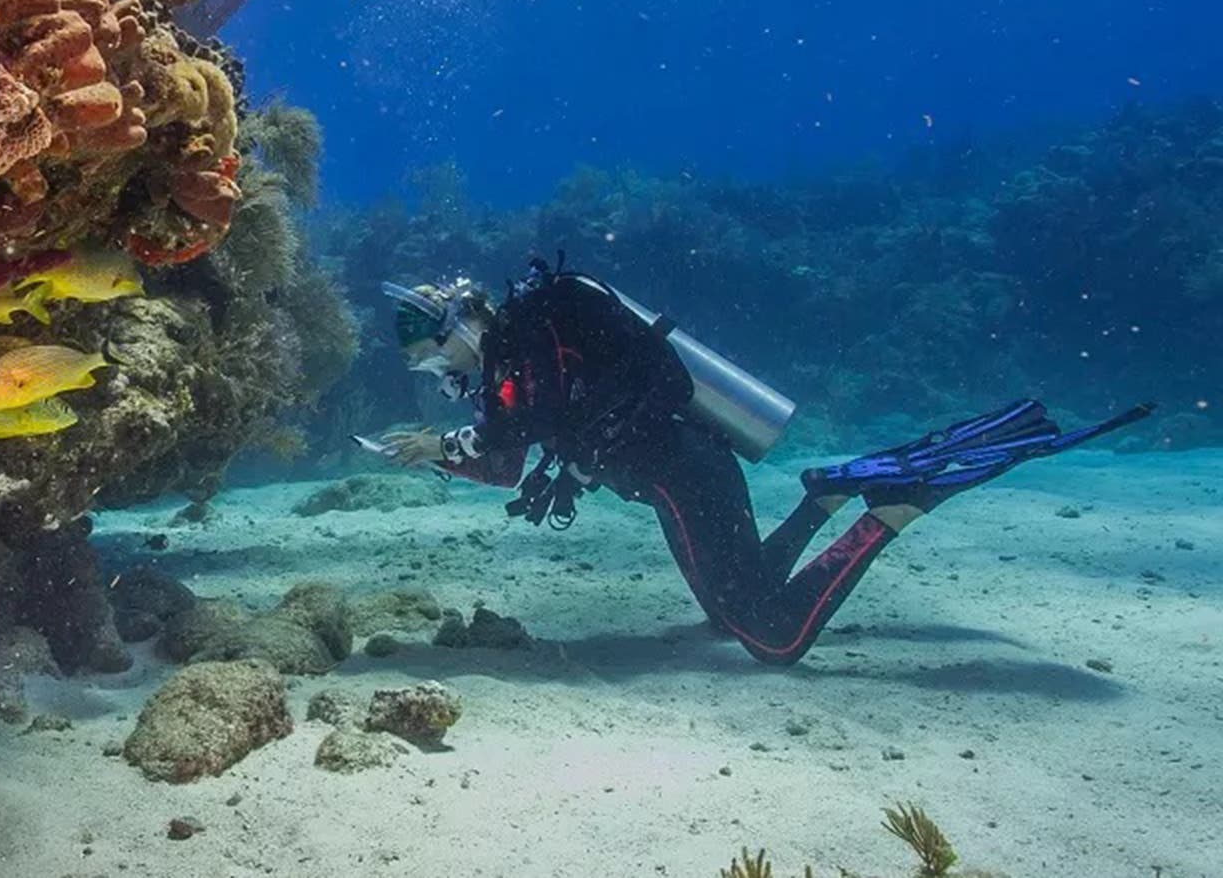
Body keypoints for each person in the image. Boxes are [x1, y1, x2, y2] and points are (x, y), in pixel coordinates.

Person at [375, 256, 1150, 665]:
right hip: (693, 460)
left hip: (678, 473)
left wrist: (435, 452)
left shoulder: (520, 349)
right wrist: (450, 447)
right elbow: (539, 433)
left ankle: (891, 512)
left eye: (434, 352)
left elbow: (506, 458)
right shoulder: (538, 333)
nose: (443, 374)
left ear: (459, 321)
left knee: (771, 638)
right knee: (728, 610)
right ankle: (825, 496)